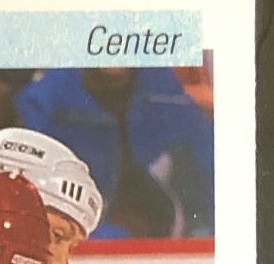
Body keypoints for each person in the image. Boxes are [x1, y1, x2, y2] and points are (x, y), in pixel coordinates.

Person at [14, 66, 216, 236]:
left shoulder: (165, 92)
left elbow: (210, 180)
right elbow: (35, 207)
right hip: (86, 248)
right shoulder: (42, 104)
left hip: (175, 248)